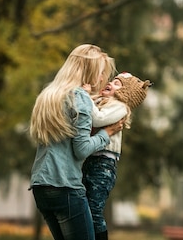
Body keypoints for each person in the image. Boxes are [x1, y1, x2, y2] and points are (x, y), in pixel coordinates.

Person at [29, 44, 126, 240]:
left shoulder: (49, 95)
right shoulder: (79, 97)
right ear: (90, 70)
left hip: (41, 186)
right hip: (65, 186)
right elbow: (81, 149)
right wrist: (107, 133)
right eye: (100, 73)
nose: (101, 79)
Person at [82, 72, 152, 240]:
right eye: (112, 81)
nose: (111, 84)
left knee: (94, 210)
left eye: (117, 84)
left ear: (125, 94)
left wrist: (84, 95)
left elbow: (98, 119)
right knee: (84, 207)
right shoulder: (102, 101)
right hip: (91, 160)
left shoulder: (120, 107)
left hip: (103, 166)